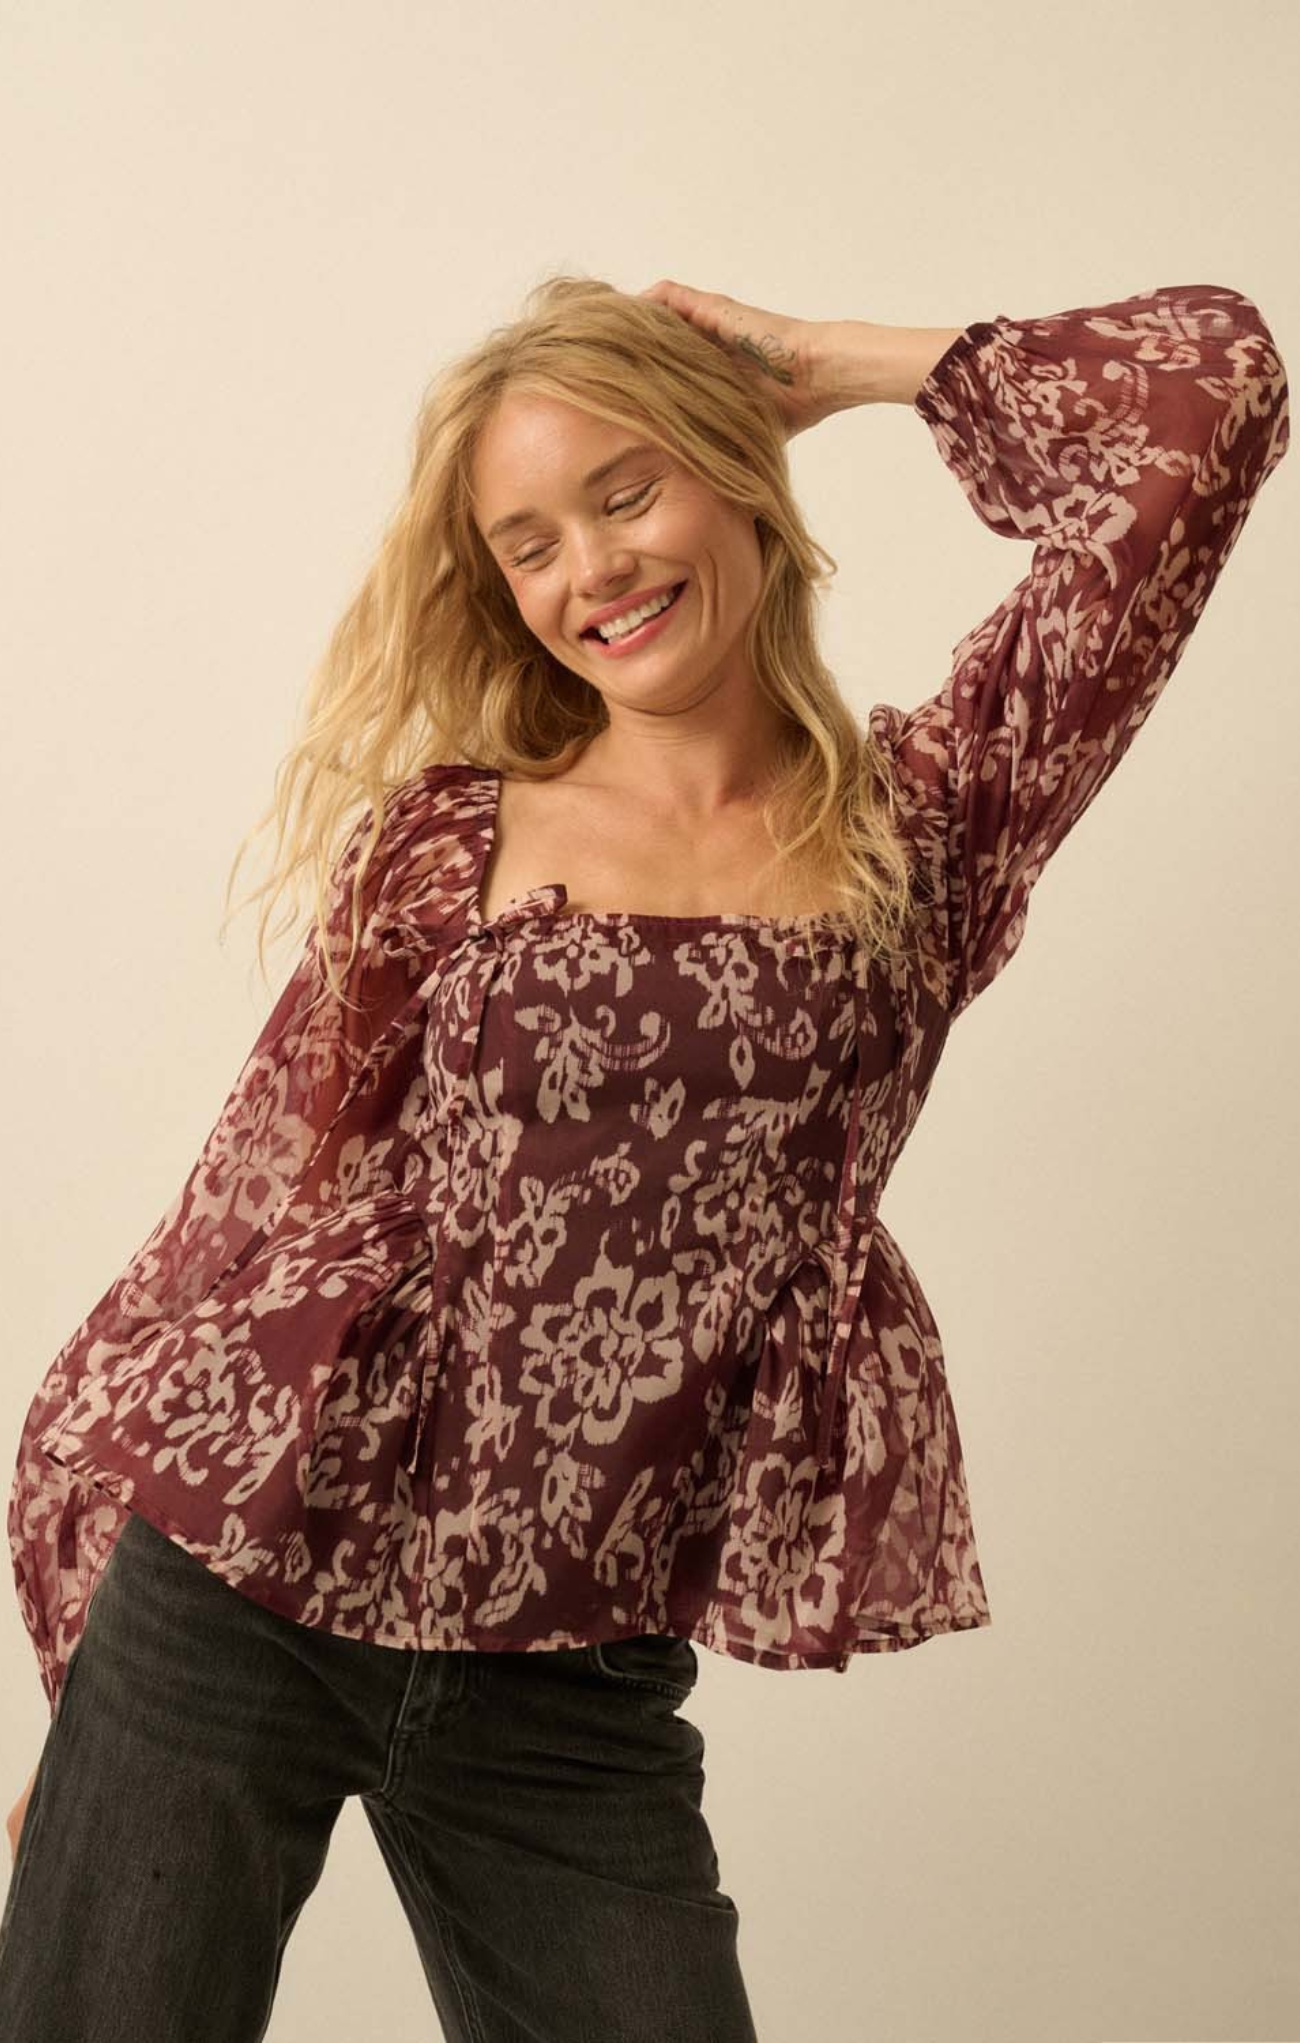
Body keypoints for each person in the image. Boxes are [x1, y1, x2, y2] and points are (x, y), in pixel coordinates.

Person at [1, 274, 1288, 2040]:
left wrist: (831, 366)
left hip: (574, 1682)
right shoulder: (448, 843)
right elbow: (245, 1222)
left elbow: (1210, 401)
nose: (590, 571)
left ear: (735, 476)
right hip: (240, 1599)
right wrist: (84, 1680)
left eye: (628, 490)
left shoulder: (934, 817)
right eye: (529, 543)